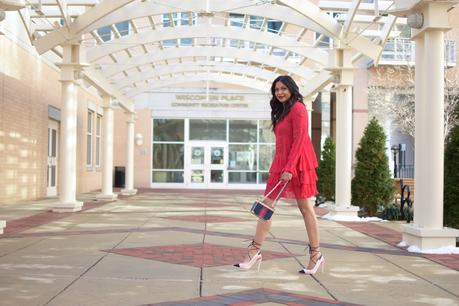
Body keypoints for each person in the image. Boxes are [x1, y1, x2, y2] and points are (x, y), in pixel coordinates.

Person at [234, 75, 323, 275]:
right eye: (276, 89)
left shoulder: (298, 108)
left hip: (298, 163)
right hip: (281, 163)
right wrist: (280, 165)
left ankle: (316, 255)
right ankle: (254, 251)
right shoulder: (281, 111)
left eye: (283, 88)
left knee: (306, 208)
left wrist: (290, 168)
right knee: (265, 206)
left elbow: (300, 140)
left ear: (291, 89)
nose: (280, 92)